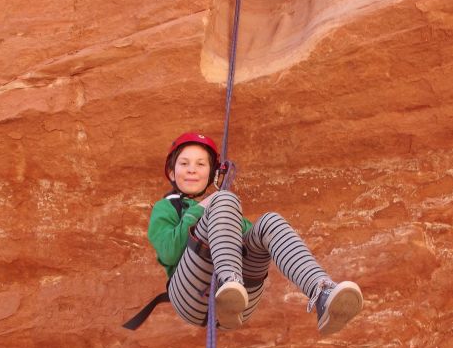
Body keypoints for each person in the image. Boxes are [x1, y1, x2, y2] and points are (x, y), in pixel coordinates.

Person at [145, 131, 363, 333]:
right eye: (184, 163)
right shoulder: (166, 208)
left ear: (212, 174)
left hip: (242, 304)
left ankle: (321, 293)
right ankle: (228, 283)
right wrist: (201, 208)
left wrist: (220, 209)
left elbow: (249, 243)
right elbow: (169, 252)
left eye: (201, 164)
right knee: (224, 198)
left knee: (270, 221)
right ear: (172, 173)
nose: (192, 169)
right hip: (189, 296)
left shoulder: (221, 207)